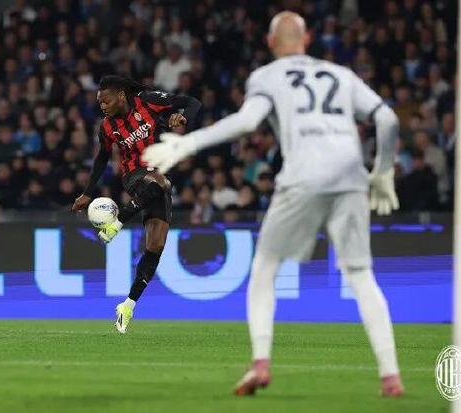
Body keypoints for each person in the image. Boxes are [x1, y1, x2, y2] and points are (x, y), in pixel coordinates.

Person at [143, 12, 403, 397]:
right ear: (307, 39)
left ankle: (261, 363)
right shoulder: (341, 75)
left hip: (303, 175)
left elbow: (248, 122)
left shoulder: (267, 76)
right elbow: (388, 119)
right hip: (350, 176)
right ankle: (391, 376)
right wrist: (381, 172)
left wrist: (188, 143)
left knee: (265, 267)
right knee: (361, 275)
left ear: (269, 43)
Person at [72, 75, 200, 334]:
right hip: (135, 176)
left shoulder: (148, 101)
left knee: (156, 246)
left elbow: (192, 102)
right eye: (99, 102)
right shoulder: (107, 127)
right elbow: (101, 159)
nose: (102, 106)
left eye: (106, 101)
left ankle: (127, 305)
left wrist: (182, 116)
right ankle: (115, 224)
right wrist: (87, 193)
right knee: (162, 182)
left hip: (158, 176)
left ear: (121, 96)